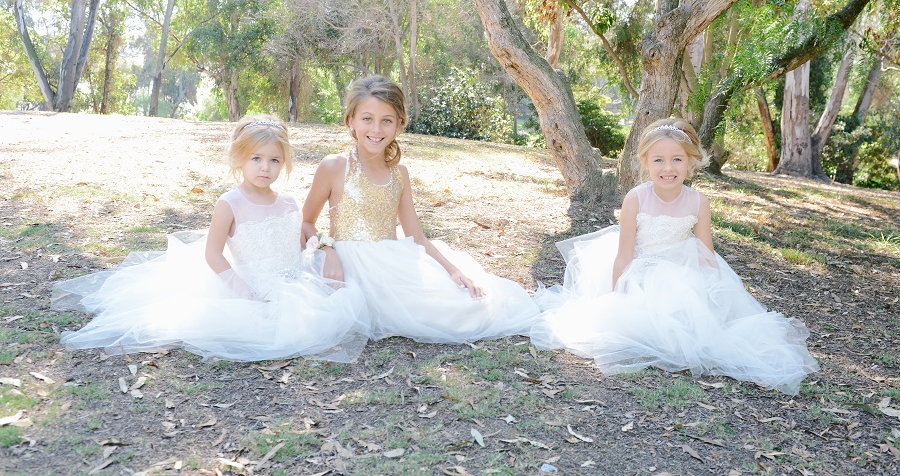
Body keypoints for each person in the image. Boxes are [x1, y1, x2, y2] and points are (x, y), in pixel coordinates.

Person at [530, 118, 819, 395]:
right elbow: (624, 255)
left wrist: (718, 291)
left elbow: (706, 252)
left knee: (695, 328)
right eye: (658, 160)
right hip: (639, 270)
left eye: (677, 159)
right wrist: (618, 295)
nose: (668, 168)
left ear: (691, 162)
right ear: (645, 162)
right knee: (633, 328)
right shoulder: (636, 198)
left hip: (681, 273)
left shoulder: (698, 202)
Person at [52, 116, 369, 363]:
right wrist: (245, 293)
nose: (265, 167)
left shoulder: (287, 202)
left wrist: (324, 249)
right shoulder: (230, 204)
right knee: (273, 328)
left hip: (294, 281)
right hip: (254, 285)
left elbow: (301, 241)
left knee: (339, 305)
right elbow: (213, 255)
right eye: (257, 158)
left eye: (274, 160)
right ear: (239, 159)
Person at [301, 75, 540, 343]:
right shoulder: (334, 166)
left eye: (386, 120)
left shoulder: (399, 174)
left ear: (399, 125)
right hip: (348, 266)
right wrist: (328, 250)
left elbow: (416, 236)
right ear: (351, 121)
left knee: (461, 309)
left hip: (390, 265)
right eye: (367, 118)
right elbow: (306, 222)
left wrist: (452, 270)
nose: (376, 129)